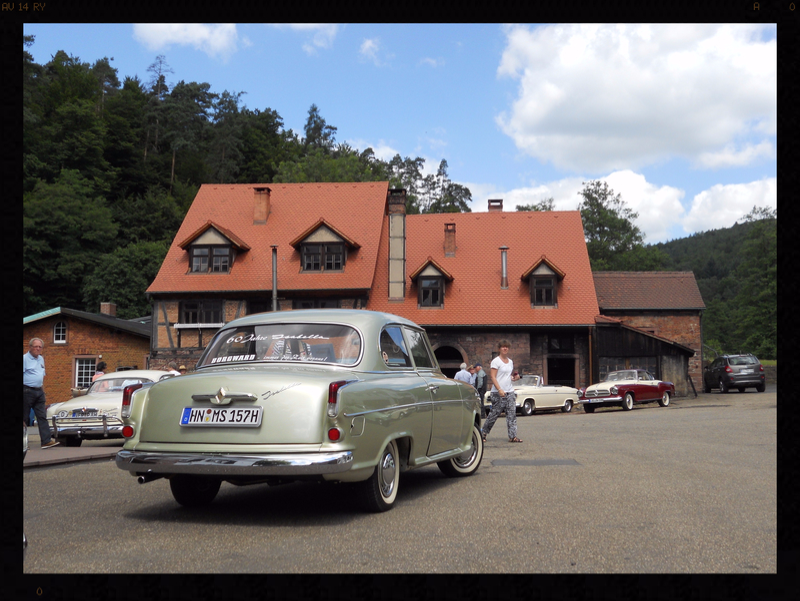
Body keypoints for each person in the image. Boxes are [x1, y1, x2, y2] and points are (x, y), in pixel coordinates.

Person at [481, 339, 522, 443]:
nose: (505, 348)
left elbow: (508, 376)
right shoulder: (496, 361)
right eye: (503, 347)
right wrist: (499, 389)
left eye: (507, 347)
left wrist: (515, 378)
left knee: (512, 415)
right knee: (494, 414)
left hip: (509, 391)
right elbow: (493, 376)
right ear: (499, 349)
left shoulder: (510, 362)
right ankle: (483, 433)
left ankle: (512, 436)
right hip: (498, 392)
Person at [23, 338, 59, 449]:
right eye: (35, 346)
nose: (38, 349)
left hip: (39, 391)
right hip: (27, 390)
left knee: (42, 416)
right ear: (30, 347)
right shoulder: (24, 359)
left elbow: (41, 374)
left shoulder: (41, 359)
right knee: (24, 418)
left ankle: (46, 441)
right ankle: (23, 444)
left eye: (40, 347)